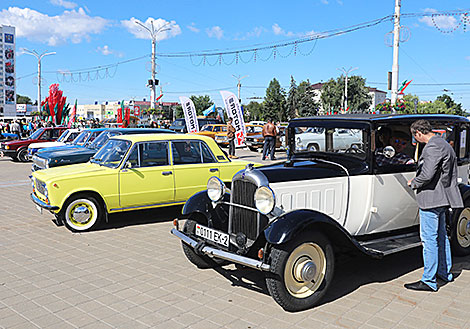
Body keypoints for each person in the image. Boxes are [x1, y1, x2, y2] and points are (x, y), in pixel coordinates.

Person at [405, 120, 463, 292]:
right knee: (442, 237)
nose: (416, 141)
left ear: (418, 133)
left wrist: (414, 182)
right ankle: (445, 273)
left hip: (431, 199)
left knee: (429, 240)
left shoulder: (432, 147)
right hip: (442, 198)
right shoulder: (443, 143)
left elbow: (427, 174)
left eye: (415, 137)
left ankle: (429, 280)